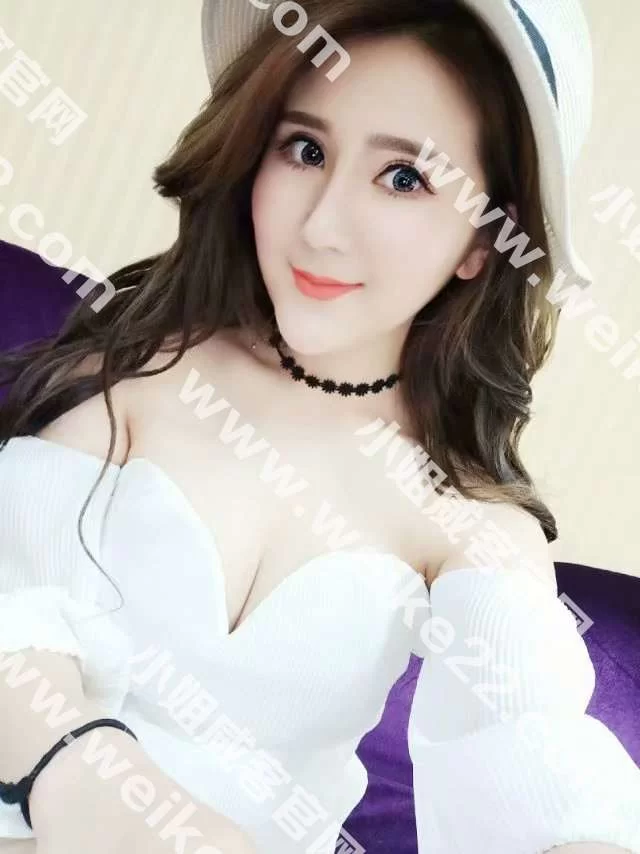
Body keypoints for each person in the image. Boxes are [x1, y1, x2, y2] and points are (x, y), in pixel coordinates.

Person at [0, 0, 639, 852]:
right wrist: (84, 776)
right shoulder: (141, 368)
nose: (321, 226)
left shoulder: (465, 520)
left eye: (404, 177)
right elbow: (13, 601)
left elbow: (536, 758)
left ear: (485, 240)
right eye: (305, 150)